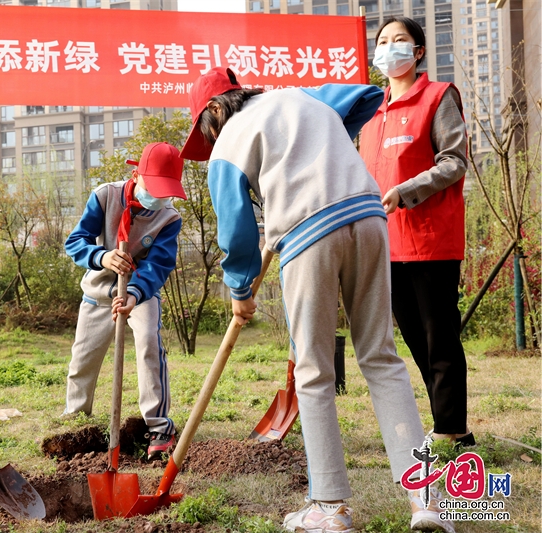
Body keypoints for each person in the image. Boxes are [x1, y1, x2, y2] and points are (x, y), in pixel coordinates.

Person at [181, 67, 452, 533]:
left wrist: (241, 292)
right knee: (382, 359)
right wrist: (320, 151)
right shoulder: (301, 98)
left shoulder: (227, 144)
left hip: (310, 234)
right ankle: (424, 500)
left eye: (204, 133)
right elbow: (367, 96)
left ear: (212, 112)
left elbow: (235, 231)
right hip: (368, 216)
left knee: (312, 370)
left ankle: (330, 508)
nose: (208, 143)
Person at [360, 16, 471, 447]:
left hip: (431, 239)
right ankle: (454, 423)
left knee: (439, 335)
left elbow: (454, 161)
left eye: (400, 40)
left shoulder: (439, 97)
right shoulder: (371, 112)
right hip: (387, 243)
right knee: (414, 337)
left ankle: (449, 428)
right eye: (383, 41)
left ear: (418, 51)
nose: (390, 48)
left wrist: (406, 190)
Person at [63, 142, 185, 459]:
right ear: (135, 174)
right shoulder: (104, 196)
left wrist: (133, 293)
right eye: (153, 188)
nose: (157, 198)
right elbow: (75, 243)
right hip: (100, 288)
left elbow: (158, 264)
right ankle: (76, 420)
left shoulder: (169, 218)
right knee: (83, 357)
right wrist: (102, 258)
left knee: (148, 342)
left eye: (165, 192)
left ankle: (158, 426)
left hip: (141, 290)